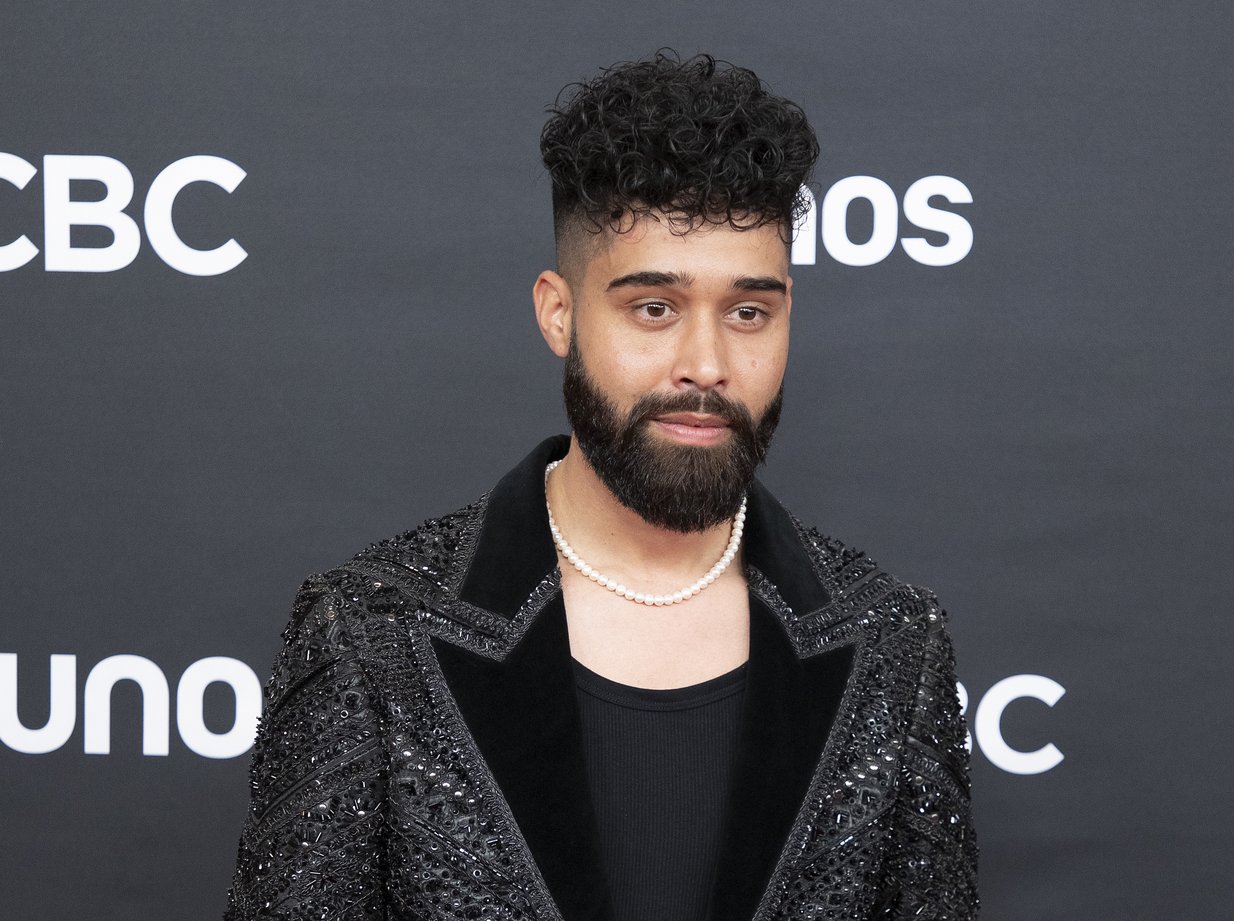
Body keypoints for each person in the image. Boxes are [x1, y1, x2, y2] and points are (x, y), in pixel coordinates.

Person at [223, 50, 978, 921]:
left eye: (748, 312)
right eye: (654, 308)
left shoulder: (893, 646)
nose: (706, 364)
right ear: (559, 313)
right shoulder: (370, 634)